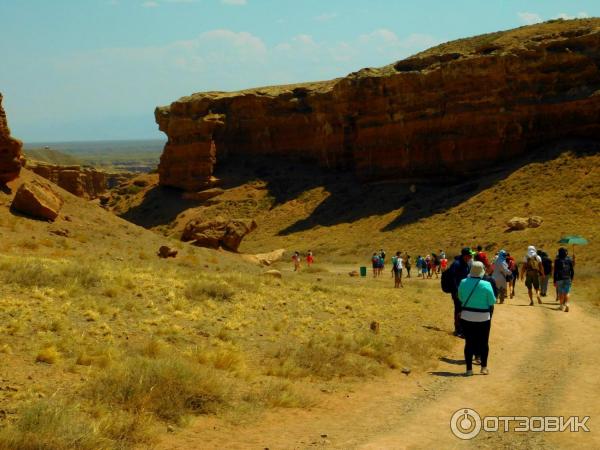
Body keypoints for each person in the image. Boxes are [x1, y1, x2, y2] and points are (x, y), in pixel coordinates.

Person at [458, 261, 496, 376]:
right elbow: (492, 301)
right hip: (483, 317)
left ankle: (469, 370)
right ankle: (483, 368)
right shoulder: (486, 284)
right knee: (483, 342)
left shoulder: (463, 282)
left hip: (467, 316)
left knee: (469, 342)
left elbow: (460, 297)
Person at [446, 248, 473, 337]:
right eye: (469, 255)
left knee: (463, 309)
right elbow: (451, 278)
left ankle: (463, 329)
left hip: (464, 291)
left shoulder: (466, 263)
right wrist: (456, 290)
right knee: (458, 309)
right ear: (465, 255)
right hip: (457, 291)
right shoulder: (456, 264)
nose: (471, 257)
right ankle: (458, 330)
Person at [553, 247, 575, 312]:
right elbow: (572, 270)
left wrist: (554, 281)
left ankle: (561, 306)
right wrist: (571, 278)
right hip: (567, 278)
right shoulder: (569, 260)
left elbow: (555, 271)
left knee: (561, 293)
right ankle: (567, 304)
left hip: (559, 278)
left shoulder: (557, 260)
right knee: (567, 292)